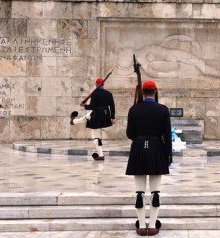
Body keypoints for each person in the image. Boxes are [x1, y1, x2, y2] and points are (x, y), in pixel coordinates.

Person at [125, 80, 172, 236]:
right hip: (157, 148)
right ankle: (152, 225)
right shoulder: (163, 110)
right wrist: (168, 156)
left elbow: (130, 134)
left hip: (138, 147)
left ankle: (141, 224)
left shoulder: (134, 109)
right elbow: (167, 135)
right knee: (155, 192)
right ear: (155, 91)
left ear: (142, 93)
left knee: (139, 192)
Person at [70, 77, 116, 161]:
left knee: (96, 136)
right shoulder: (109, 94)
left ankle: (101, 155)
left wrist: (84, 105)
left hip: (97, 115)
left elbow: (92, 106)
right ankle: (73, 121)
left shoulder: (95, 93)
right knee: (87, 116)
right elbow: (112, 106)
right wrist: (112, 118)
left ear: (96, 84)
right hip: (105, 115)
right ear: (103, 84)